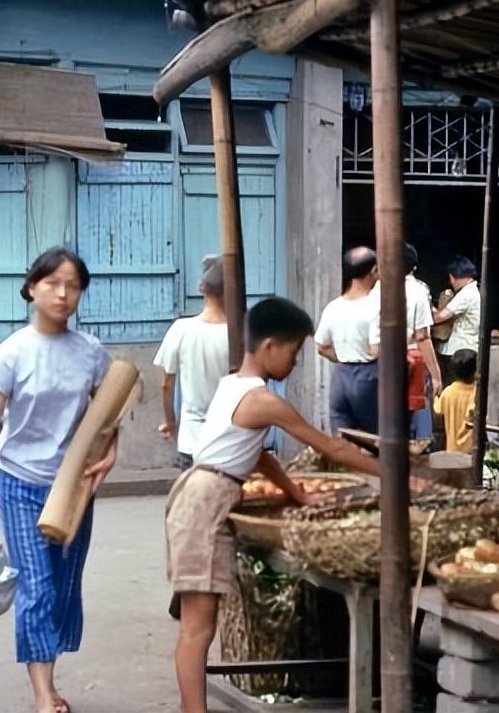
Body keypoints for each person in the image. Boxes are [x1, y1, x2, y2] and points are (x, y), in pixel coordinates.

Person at [168, 297, 381, 713]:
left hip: (200, 496)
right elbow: (331, 448)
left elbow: (258, 454)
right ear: (269, 347)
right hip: (204, 503)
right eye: (295, 351)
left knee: (197, 625)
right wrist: (391, 472)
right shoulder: (265, 401)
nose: (297, 361)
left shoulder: (234, 385)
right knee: (198, 628)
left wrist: (295, 492)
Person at [0, 247, 115, 713]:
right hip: (19, 482)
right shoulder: (13, 351)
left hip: (73, 486)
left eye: (72, 285)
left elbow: (106, 414)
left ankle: (47, 674)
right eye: (52, 282)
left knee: (62, 584)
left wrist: (110, 452)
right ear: (32, 287)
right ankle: (42, 693)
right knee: (36, 585)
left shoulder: (91, 353)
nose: (62, 293)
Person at [154, 255, 229, 469]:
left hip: (192, 438)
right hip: (229, 439)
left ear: (201, 290)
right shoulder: (239, 333)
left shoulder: (181, 329)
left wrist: (170, 422)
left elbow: (166, 385)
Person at [367, 243, 442, 437]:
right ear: (414, 267)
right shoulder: (418, 291)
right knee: (417, 411)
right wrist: (435, 375)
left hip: (379, 356)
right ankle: (422, 447)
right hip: (410, 357)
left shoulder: (377, 288)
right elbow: (422, 336)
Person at [314, 247, 379, 434]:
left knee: (342, 440)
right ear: (373, 271)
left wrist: (343, 355)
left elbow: (322, 346)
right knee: (375, 440)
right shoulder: (375, 306)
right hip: (368, 377)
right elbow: (376, 350)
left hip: (340, 377)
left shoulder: (333, 307)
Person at [432, 256, 481, 376]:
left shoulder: (466, 294)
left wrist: (425, 315)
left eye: (451, 278)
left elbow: (441, 317)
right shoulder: (472, 291)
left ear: (455, 276)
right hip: (466, 348)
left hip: (459, 350)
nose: (451, 282)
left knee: (452, 386)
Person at [434, 349, 477, 454]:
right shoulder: (477, 392)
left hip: (452, 449)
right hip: (471, 450)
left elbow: (438, 409)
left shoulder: (448, 392)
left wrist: (435, 396)